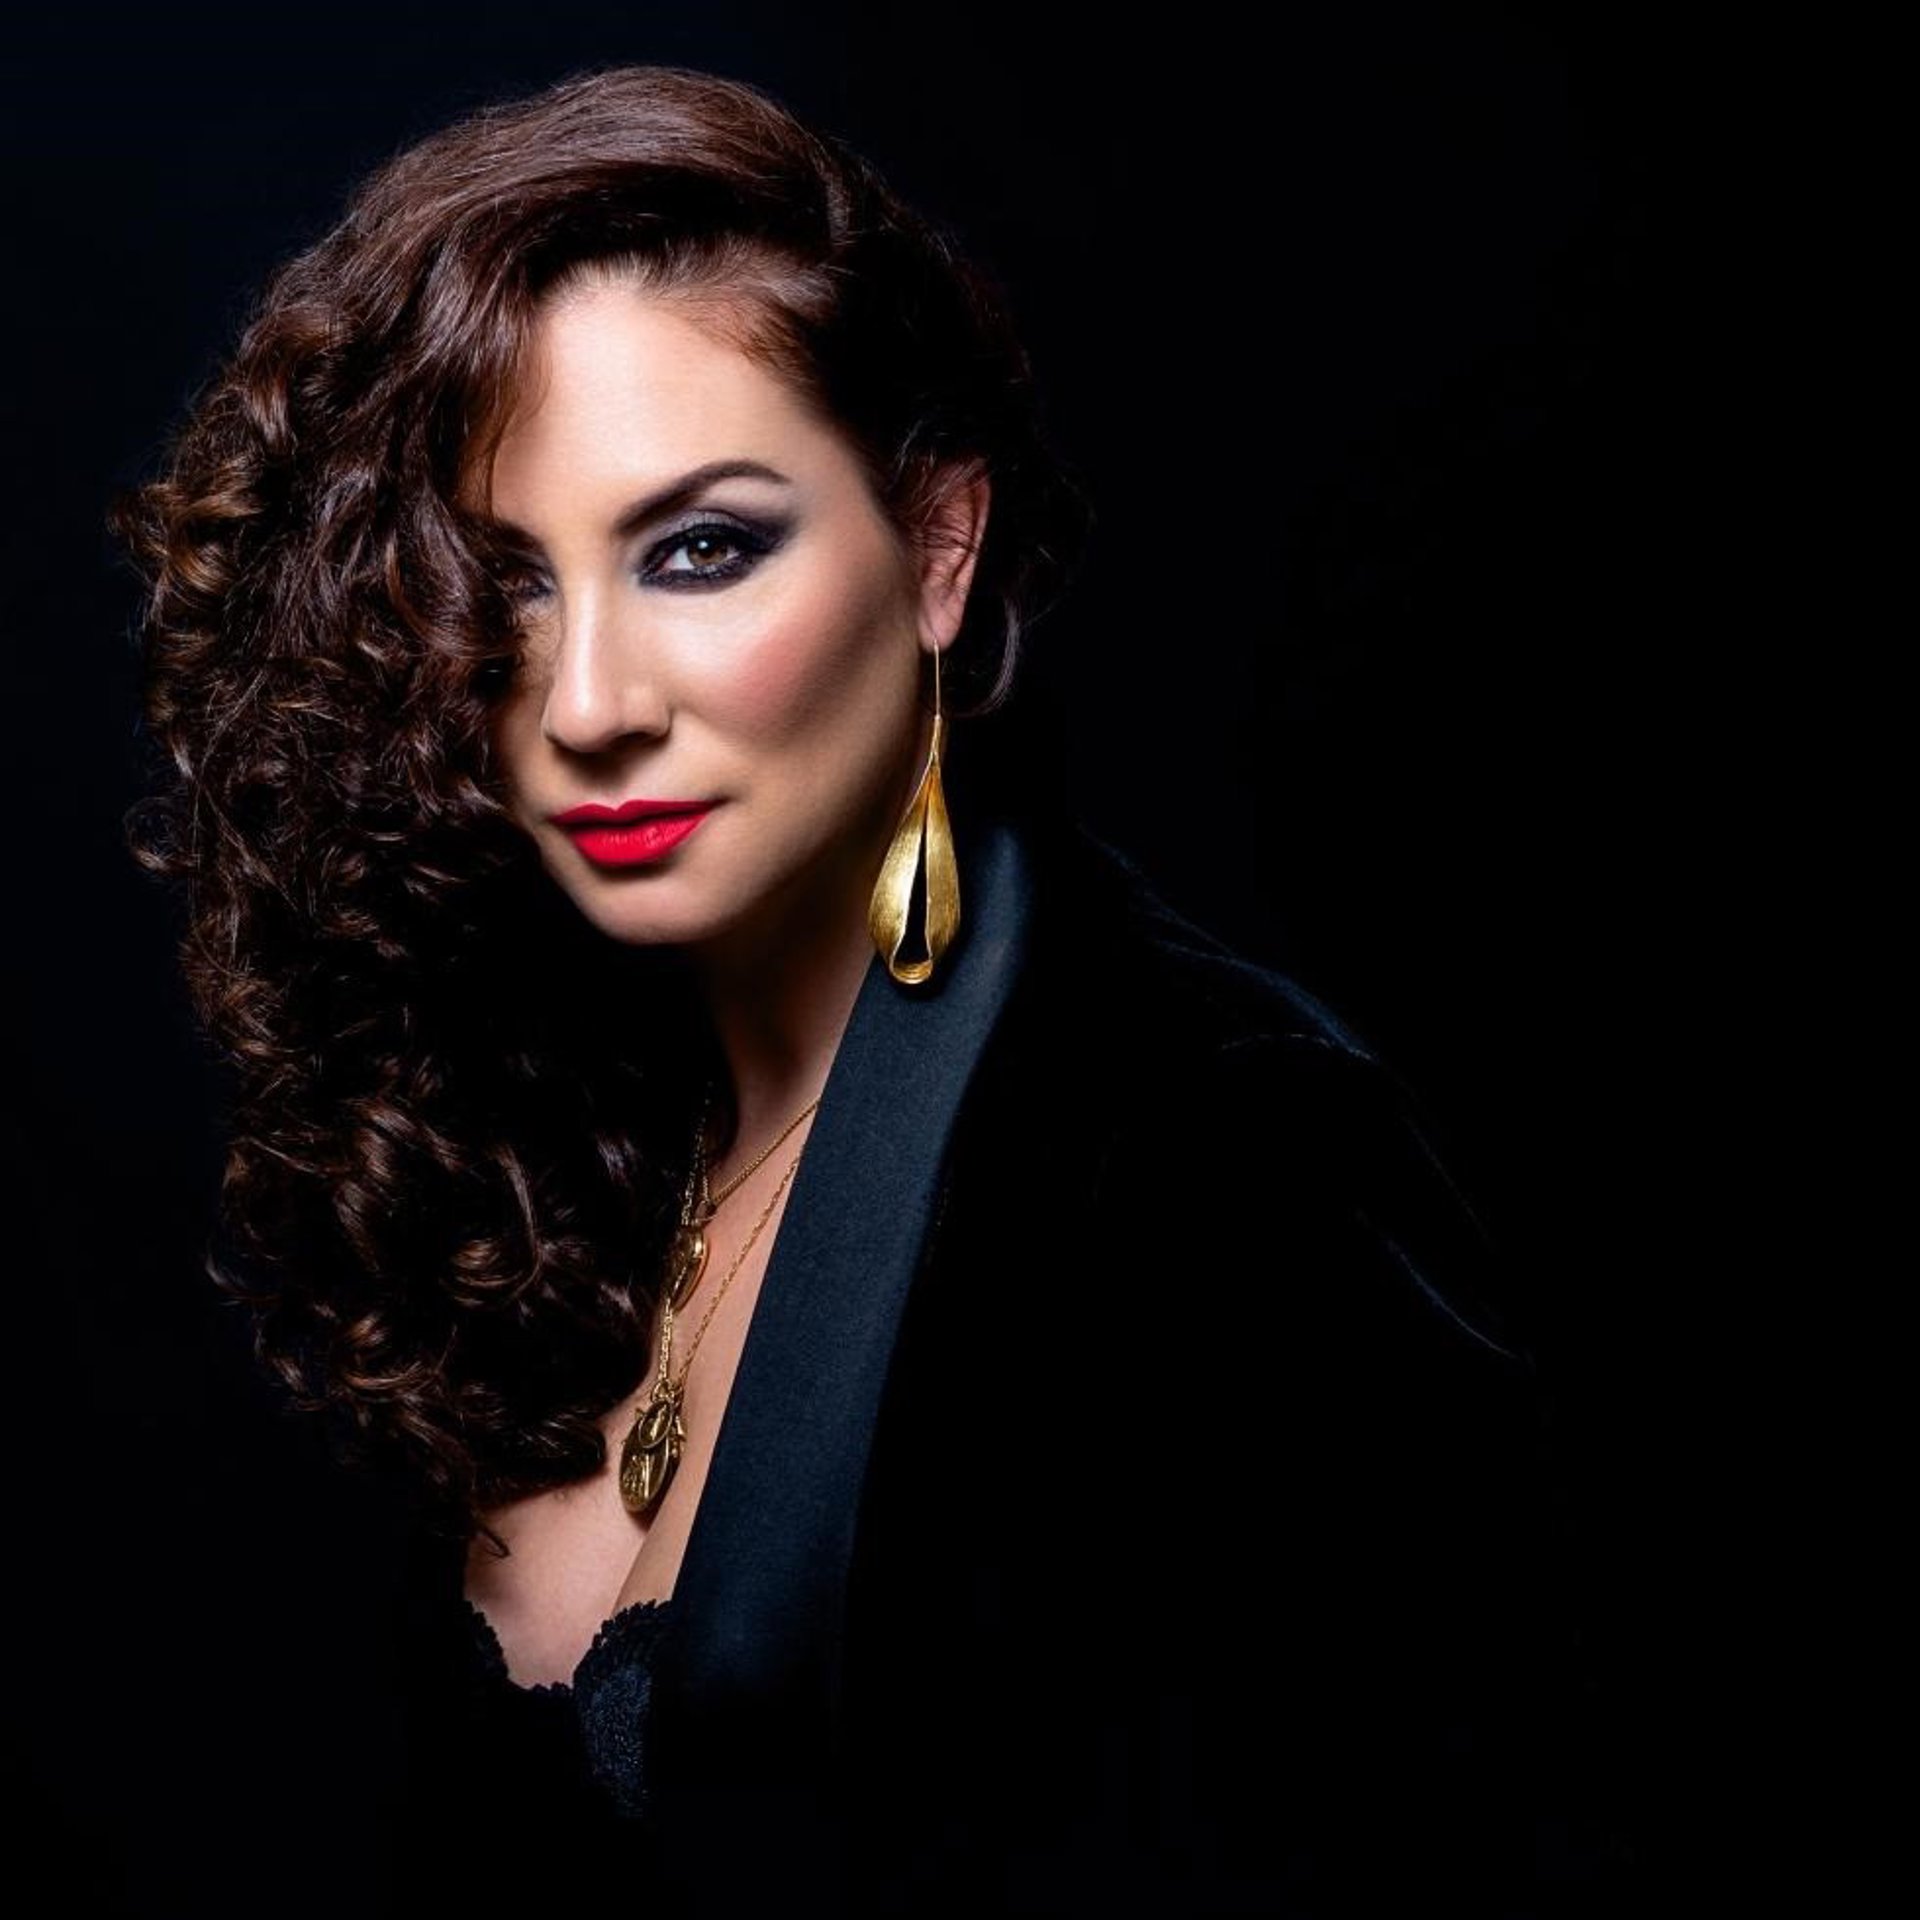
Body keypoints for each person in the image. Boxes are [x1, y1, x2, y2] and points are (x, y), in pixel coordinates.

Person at [108, 61, 1629, 1916]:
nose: (587, 704)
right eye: (505, 586)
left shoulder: (1212, 1162)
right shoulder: (543, 1104)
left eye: (700, 551)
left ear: (937, 548)